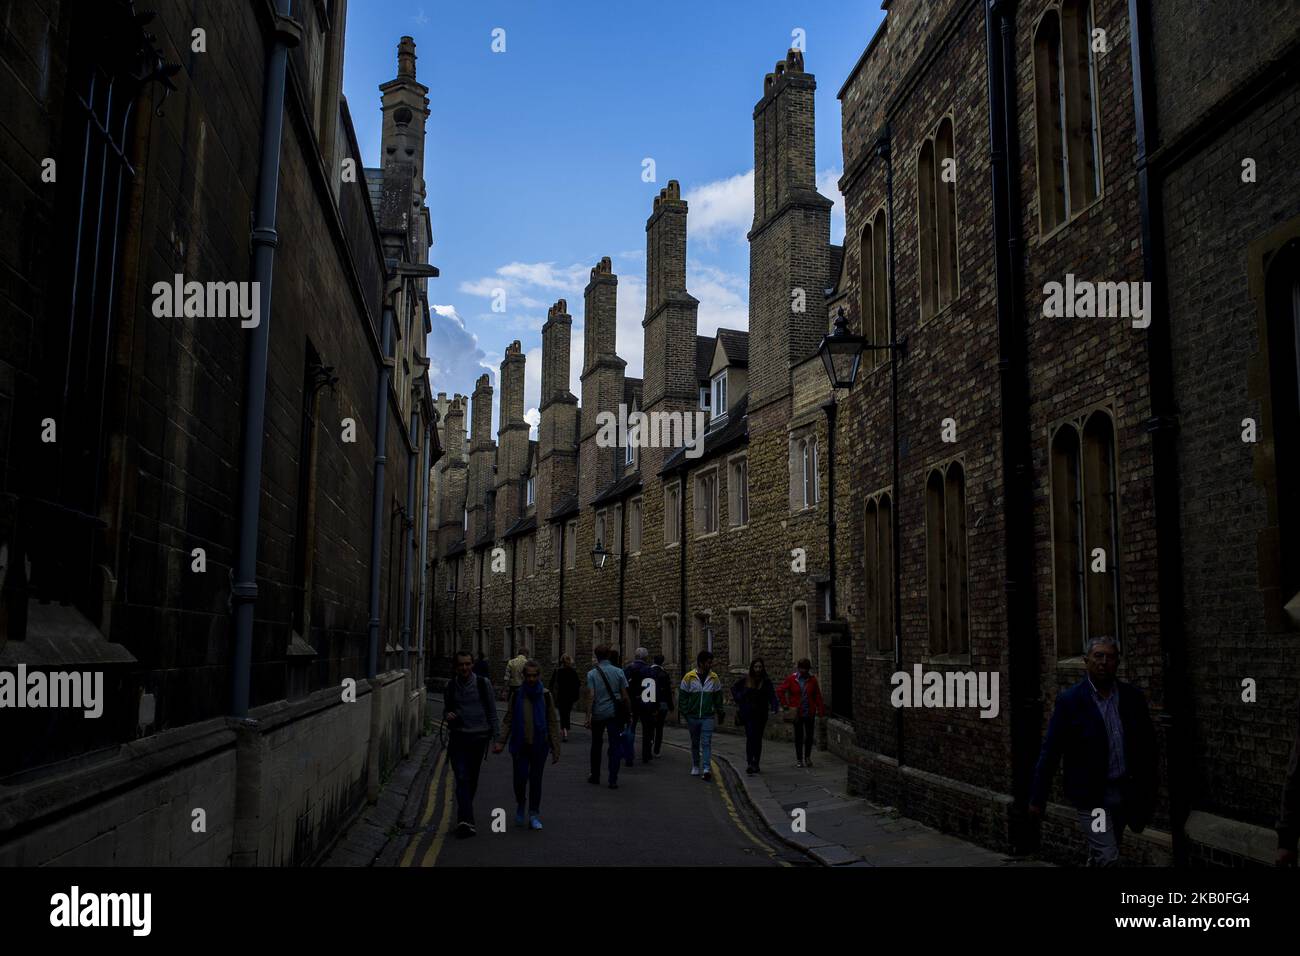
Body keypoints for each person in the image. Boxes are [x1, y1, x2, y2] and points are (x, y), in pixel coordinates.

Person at [1029, 635, 1157, 867]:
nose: (1103, 662)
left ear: (1118, 662)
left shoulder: (1132, 698)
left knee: (1107, 847)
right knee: (1108, 856)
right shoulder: (1071, 701)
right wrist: (1038, 798)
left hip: (1124, 793)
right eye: (1098, 656)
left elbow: (1147, 747)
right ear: (1086, 660)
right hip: (1094, 798)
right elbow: (1051, 750)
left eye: (1110, 657)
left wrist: (1148, 789)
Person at [493, 660, 561, 830]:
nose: (531, 679)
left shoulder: (546, 695)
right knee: (520, 779)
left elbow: (552, 721)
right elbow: (508, 719)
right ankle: (520, 803)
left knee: (536, 781)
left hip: (540, 744)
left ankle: (533, 813)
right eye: (528, 676)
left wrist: (555, 747)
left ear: (539, 676)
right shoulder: (517, 695)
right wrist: (501, 741)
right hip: (520, 743)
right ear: (523, 676)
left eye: (534, 675)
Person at [442, 650, 500, 838]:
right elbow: (447, 710)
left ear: (472, 664)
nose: (464, 668)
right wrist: (448, 715)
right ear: (456, 666)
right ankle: (466, 821)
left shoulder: (483, 684)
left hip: (478, 738)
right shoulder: (450, 686)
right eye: (461, 665)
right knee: (461, 777)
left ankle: (465, 817)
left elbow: (492, 711)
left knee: (471, 780)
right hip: (458, 737)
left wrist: (497, 738)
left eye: (467, 664)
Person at [584, 644, 631, 788]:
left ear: (596, 656)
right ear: (609, 655)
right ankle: (613, 779)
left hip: (598, 713)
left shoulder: (591, 674)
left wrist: (588, 716)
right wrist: (629, 713)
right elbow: (625, 696)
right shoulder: (619, 672)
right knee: (615, 746)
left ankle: (595, 775)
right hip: (614, 714)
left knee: (596, 745)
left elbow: (591, 696)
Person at [679, 650, 725, 780]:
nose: (711, 665)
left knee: (706, 742)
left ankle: (706, 768)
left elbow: (718, 698)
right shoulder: (689, 677)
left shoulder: (714, 678)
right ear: (701, 663)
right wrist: (686, 713)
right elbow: (682, 697)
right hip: (692, 716)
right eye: (709, 662)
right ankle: (695, 765)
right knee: (695, 742)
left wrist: (720, 711)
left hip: (707, 716)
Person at [732, 658, 779, 775]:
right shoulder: (746, 680)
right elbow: (734, 689)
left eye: (760, 667)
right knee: (750, 737)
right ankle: (749, 762)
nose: (758, 669)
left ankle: (756, 763)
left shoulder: (766, 681)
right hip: (748, 714)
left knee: (757, 738)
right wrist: (740, 697)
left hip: (761, 714)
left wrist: (774, 706)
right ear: (752, 668)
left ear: (762, 668)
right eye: (756, 667)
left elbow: (772, 695)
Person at [777, 658, 825, 768]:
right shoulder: (792, 679)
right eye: (802, 668)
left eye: (806, 669)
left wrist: (821, 710)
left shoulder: (812, 680)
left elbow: (817, 695)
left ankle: (807, 757)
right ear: (798, 668)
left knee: (809, 736)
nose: (803, 671)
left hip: (809, 712)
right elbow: (780, 690)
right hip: (797, 713)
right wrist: (785, 705)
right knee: (799, 736)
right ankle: (799, 759)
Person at [624, 647, 658, 765]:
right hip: (646, 703)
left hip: (631, 703)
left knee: (630, 728)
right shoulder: (649, 670)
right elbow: (653, 688)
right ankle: (646, 755)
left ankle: (629, 756)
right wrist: (654, 707)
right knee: (647, 730)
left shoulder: (628, 669)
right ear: (645, 657)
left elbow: (623, 687)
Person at [548, 654, 581, 743]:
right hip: (569, 697)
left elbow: (551, 684)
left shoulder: (558, 671)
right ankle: (565, 730)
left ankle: (564, 731)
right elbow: (578, 684)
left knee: (562, 714)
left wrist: (552, 694)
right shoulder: (573, 672)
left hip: (560, 696)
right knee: (567, 714)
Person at [649, 654, 674, 757]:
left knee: (649, 727)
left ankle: (648, 747)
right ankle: (657, 750)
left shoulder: (647, 672)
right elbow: (668, 691)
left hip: (649, 703)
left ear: (653, 660)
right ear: (662, 662)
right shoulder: (664, 674)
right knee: (659, 728)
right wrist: (671, 705)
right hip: (662, 703)